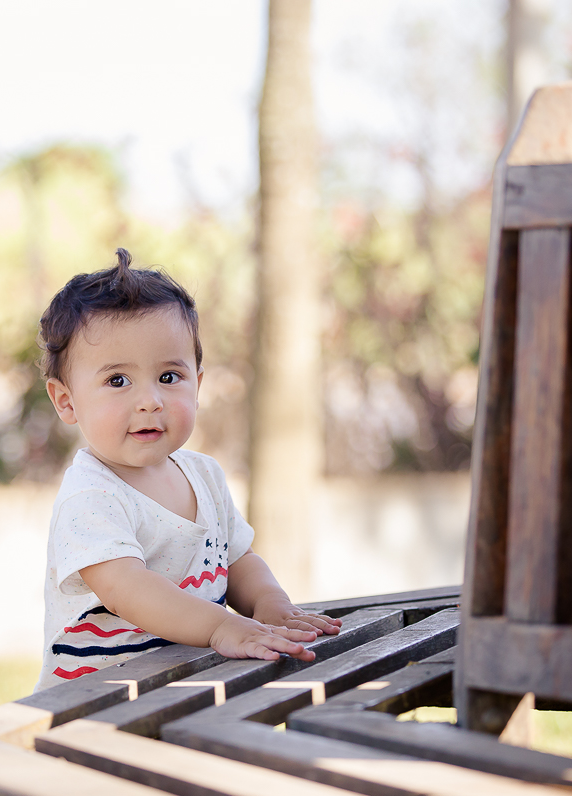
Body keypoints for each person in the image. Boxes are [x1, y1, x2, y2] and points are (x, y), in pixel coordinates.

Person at [33, 248, 341, 691]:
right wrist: (220, 627)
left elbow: (238, 559)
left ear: (197, 384)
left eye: (169, 377)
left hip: (182, 683)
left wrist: (270, 603)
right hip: (97, 699)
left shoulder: (205, 476)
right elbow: (127, 588)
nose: (149, 400)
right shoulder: (92, 497)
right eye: (118, 381)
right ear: (66, 401)